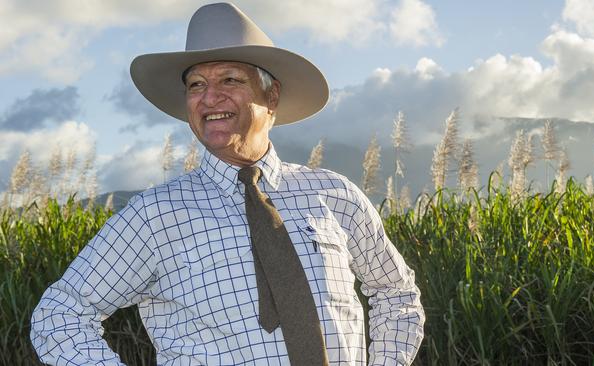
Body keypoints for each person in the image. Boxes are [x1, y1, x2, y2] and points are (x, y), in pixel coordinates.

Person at [31, 3, 425, 365]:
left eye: (230, 79)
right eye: (196, 85)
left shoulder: (336, 195)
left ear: (271, 96)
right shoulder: (155, 215)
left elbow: (396, 293)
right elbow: (61, 312)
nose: (209, 97)